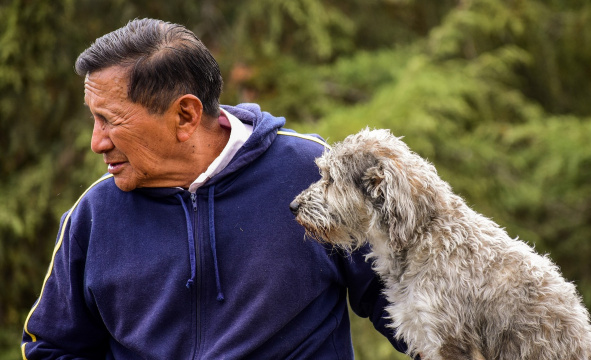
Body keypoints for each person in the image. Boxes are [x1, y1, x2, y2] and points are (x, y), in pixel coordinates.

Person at [21, 18, 407, 359]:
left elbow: (406, 297)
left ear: (185, 115)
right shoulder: (93, 215)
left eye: (109, 120)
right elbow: (52, 348)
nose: (96, 142)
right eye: (94, 120)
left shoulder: (312, 172)